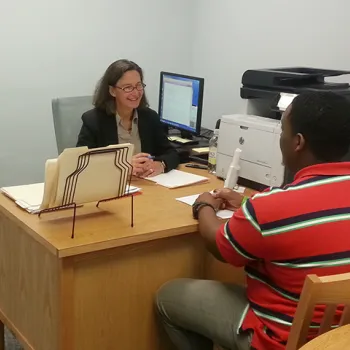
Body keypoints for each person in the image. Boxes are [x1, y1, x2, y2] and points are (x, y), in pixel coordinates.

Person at [156, 91, 350, 350]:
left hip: (281, 339)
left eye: (283, 130)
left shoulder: (273, 206)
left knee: (168, 297)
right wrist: (248, 204)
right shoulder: (270, 206)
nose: (281, 137)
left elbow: (218, 245)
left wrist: (203, 205)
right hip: (339, 339)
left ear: (298, 142)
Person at [77, 59, 179, 177]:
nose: (136, 93)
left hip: (146, 186)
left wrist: (161, 164)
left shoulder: (149, 117)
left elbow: (172, 153)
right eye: (128, 87)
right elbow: (82, 163)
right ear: (112, 91)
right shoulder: (94, 121)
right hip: (111, 187)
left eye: (138, 86)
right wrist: (122, 166)